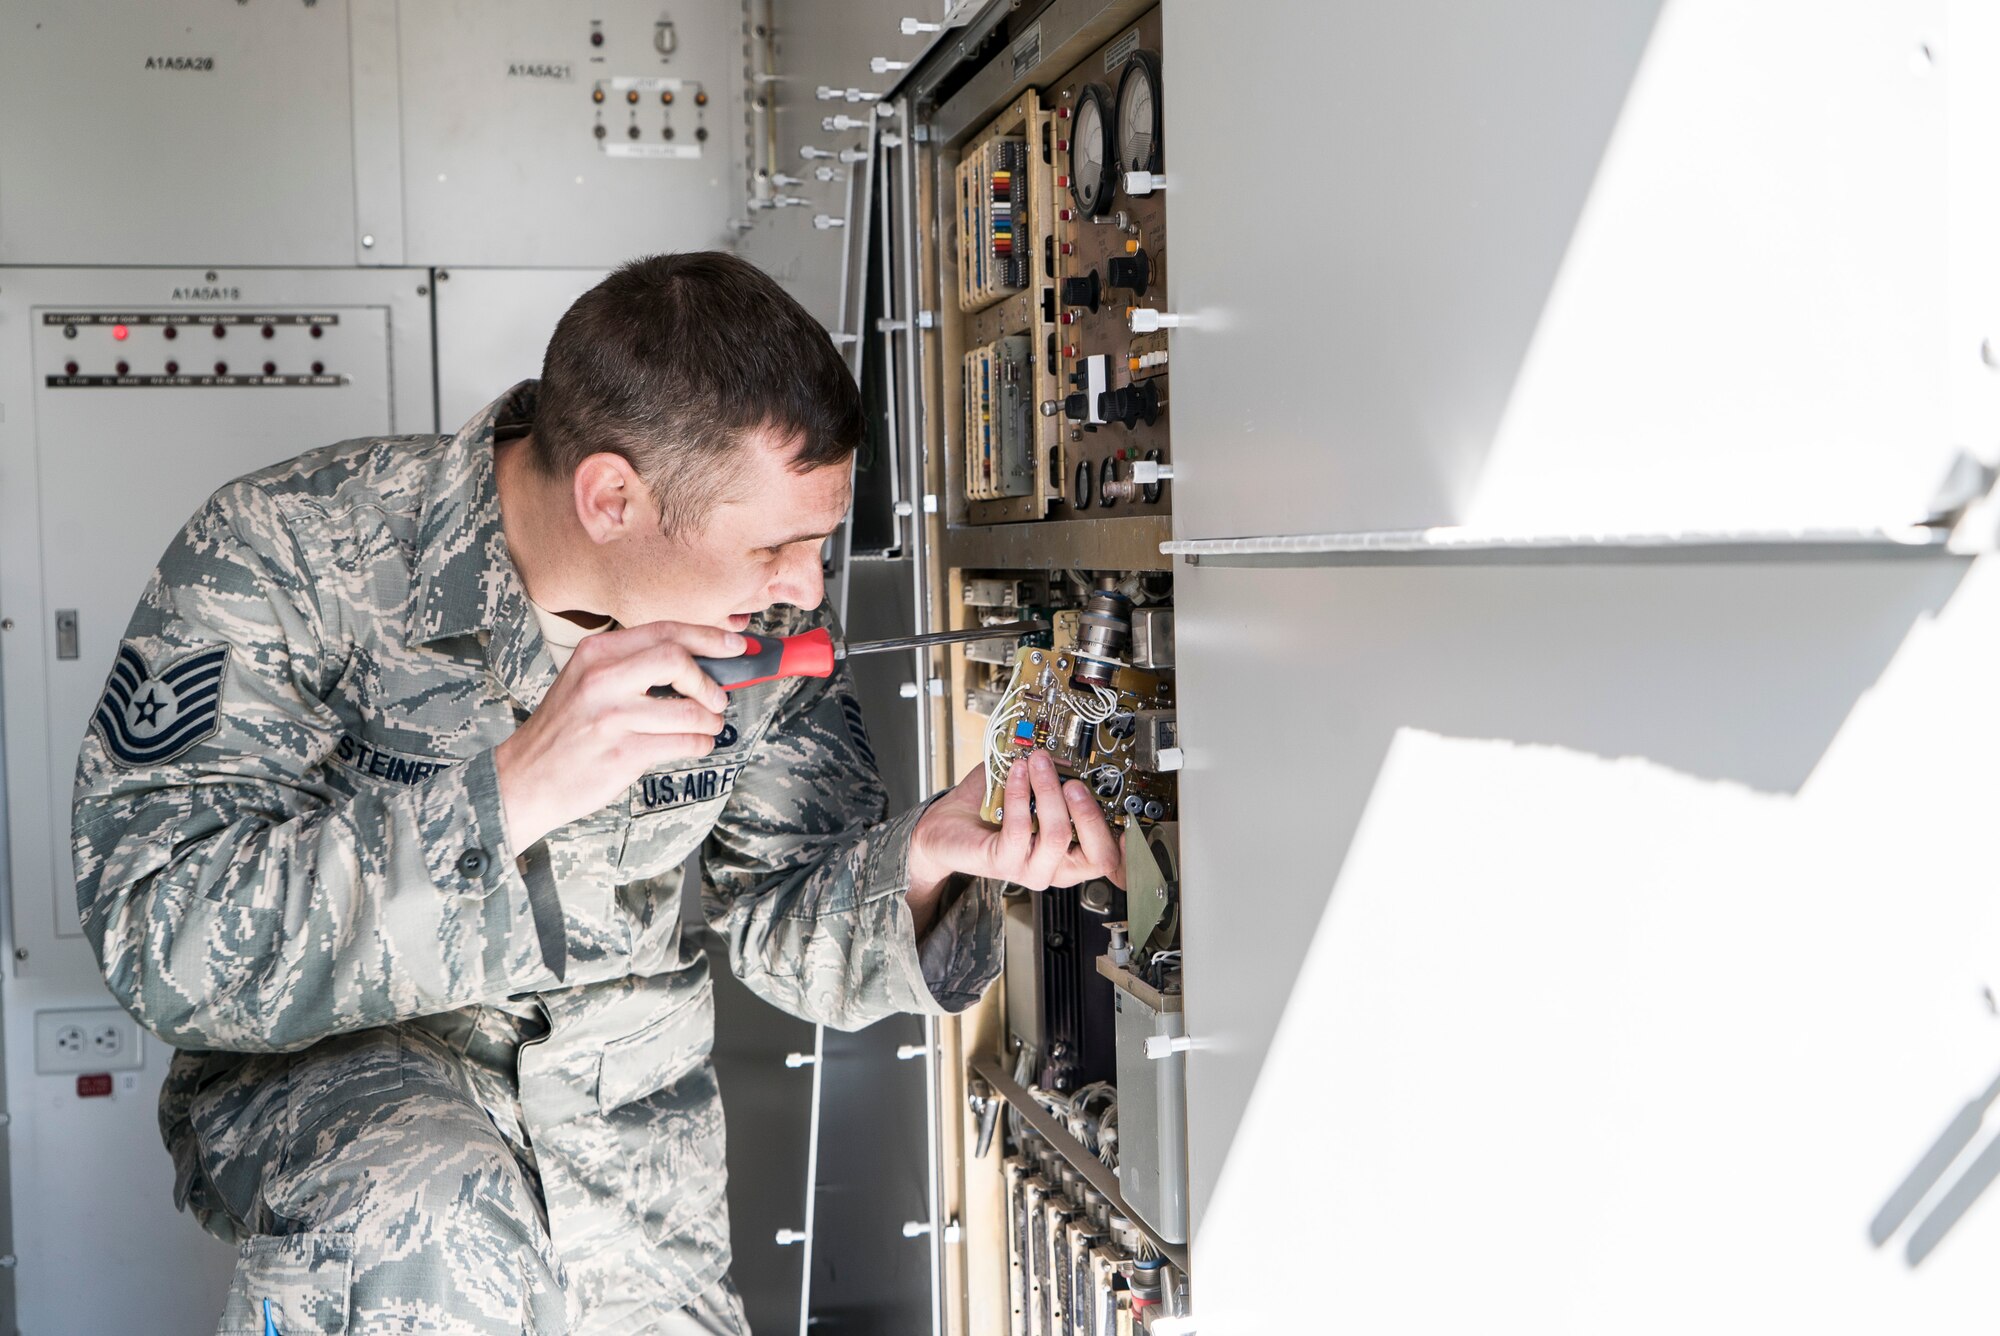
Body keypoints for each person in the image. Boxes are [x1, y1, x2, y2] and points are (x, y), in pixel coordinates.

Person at [71, 252, 1122, 1334]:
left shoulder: (762, 629)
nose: (806, 587)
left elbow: (784, 915)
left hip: (633, 1199)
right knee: (436, 1209)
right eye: (773, 545)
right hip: (372, 1163)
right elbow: (166, 937)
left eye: (814, 543)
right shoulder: (287, 556)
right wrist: (509, 791)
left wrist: (921, 861)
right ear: (611, 496)